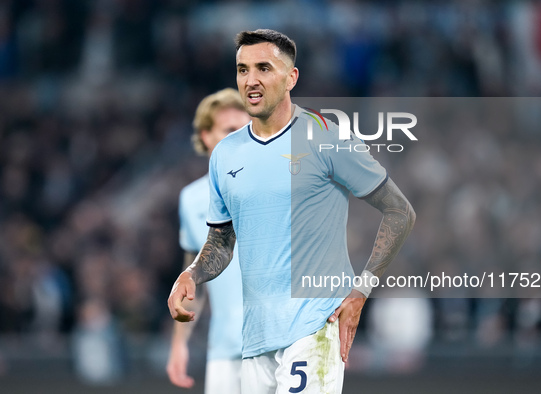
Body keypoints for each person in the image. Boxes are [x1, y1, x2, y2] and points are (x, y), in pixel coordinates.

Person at [168, 29, 415, 393]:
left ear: (291, 78)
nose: (250, 80)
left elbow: (400, 211)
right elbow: (221, 241)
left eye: (264, 68)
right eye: (242, 69)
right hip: (254, 338)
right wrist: (191, 275)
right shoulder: (226, 154)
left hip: (313, 328)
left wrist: (361, 291)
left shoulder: (327, 138)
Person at [166, 88, 249, 393]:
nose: (241, 138)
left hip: (279, 344)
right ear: (205, 136)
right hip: (224, 349)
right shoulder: (191, 199)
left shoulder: (278, 187)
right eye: (230, 130)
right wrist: (179, 345)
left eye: (246, 129)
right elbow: (192, 281)